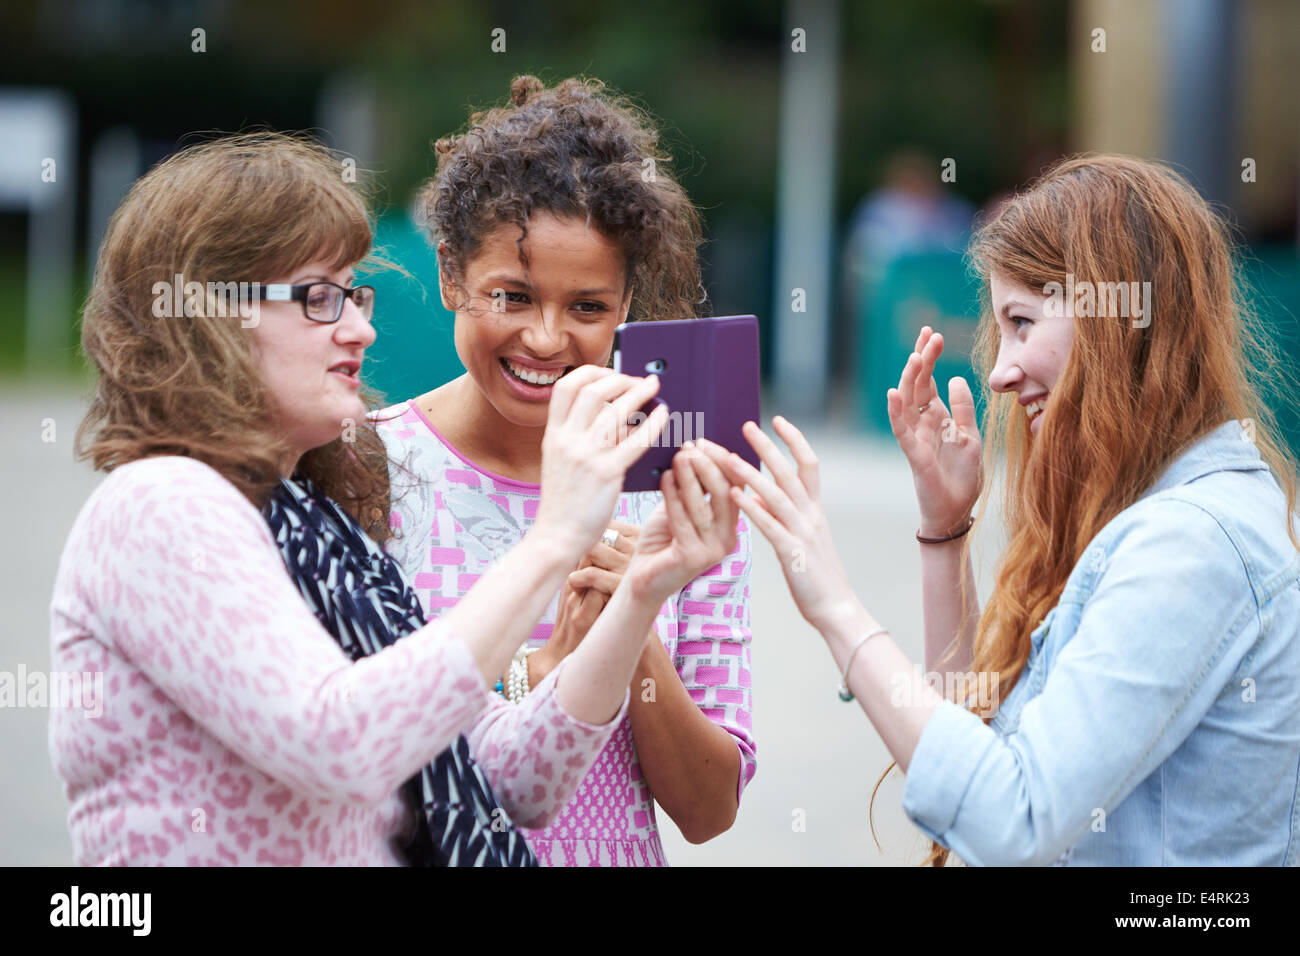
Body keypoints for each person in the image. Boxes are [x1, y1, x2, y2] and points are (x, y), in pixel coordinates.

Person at [49, 131, 739, 866]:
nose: (361, 328)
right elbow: (340, 746)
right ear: (208, 315)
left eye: (353, 294)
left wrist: (637, 597)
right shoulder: (162, 504)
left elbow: (509, 777)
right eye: (319, 298)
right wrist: (554, 541)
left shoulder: (308, 519)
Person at [703, 154, 1300, 865]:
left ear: (1120, 320)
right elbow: (975, 737)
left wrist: (833, 604)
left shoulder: (1191, 543)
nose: (998, 370)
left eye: (1023, 322)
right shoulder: (1165, 509)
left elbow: (1009, 823)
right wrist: (945, 531)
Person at [374, 75, 755, 866]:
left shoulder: (682, 484)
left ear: (626, 305)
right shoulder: (369, 471)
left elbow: (709, 809)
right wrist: (544, 670)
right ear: (451, 275)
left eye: (587, 307)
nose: (546, 339)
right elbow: (357, 747)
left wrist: (633, 620)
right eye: (511, 296)